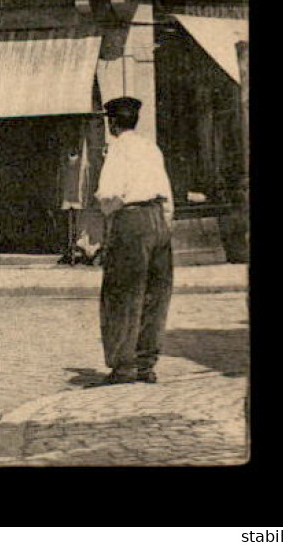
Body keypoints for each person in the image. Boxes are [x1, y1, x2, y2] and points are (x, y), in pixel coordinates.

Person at [93, 96, 175, 385]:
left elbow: (109, 193)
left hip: (132, 220)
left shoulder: (118, 150)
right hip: (158, 220)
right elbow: (166, 192)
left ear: (113, 123)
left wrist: (111, 218)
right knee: (156, 293)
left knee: (123, 292)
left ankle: (124, 365)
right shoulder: (151, 147)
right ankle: (146, 363)